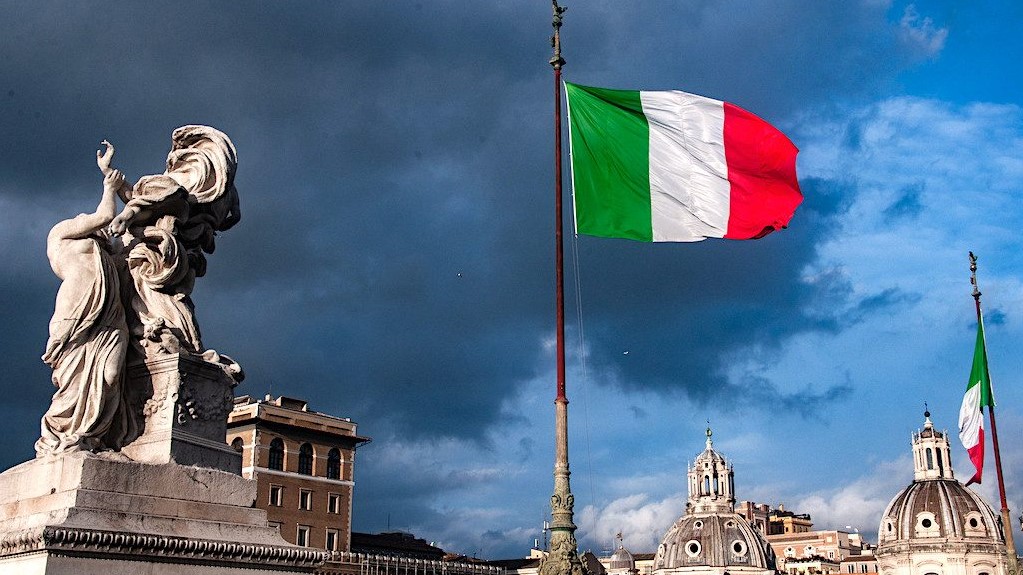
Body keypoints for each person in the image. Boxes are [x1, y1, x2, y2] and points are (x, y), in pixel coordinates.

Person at [36, 142, 130, 455]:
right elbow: (105, 214)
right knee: (71, 378)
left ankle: (92, 435)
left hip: (110, 317)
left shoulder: (109, 254)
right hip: (76, 310)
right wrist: (108, 183)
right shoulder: (61, 235)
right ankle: (63, 434)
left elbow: (136, 219)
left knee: (113, 374)